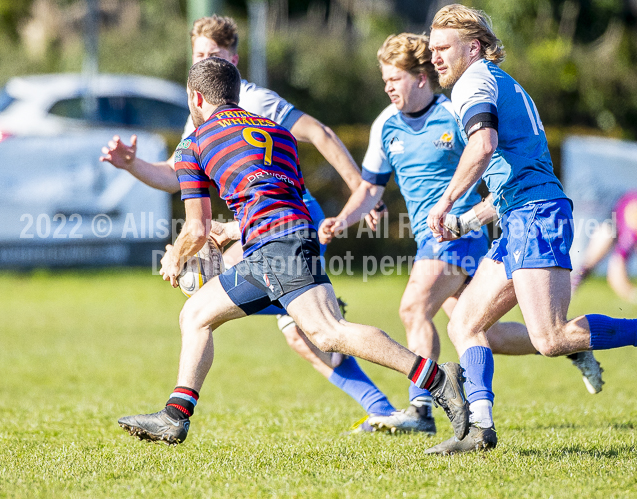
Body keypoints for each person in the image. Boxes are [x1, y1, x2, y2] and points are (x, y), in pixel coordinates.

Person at [117, 57, 471, 445]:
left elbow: (196, 228)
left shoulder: (194, 144)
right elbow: (282, 197)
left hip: (276, 247)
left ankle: (436, 377)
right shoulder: (275, 131)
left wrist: (175, 255)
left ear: (196, 98)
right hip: (288, 238)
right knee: (197, 314)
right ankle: (174, 416)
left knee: (329, 333)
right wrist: (236, 227)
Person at [423, 4, 637, 454]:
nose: (436, 57)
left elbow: (483, 147)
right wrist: (464, 220)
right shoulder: (495, 82)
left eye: (443, 48)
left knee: (551, 338)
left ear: (474, 47)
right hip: (522, 213)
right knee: (465, 321)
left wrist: (445, 202)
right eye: (432, 49)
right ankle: (478, 428)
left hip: (535, 215)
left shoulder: (474, 81)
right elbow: (513, 177)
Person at [101, 15, 406, 432]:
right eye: (199, 55)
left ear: (233, 59)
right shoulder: (201, 113)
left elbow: (319, 132)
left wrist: (361, 190)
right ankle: (381, 404)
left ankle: (177, 413)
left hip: (289, 219)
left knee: (226, 296)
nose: (205, 61)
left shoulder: (255, 101)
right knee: (302, 333)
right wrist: (133, 164)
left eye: (213, 55)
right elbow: (178, 174)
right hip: (266, 224)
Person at [319, 33, 604, 435]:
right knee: (485, 332)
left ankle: (421, 408)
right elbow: (369, 189)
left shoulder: (454, 111)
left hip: (457, 235)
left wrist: (467, 214)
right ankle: (574, 342)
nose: (387, 87)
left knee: (413, 307)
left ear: (421, 78)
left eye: (395, 78)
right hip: (427, 237)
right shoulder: (385, 125)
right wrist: (342, 220)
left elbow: (487, 158)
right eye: (384, 79)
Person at [571, 191, 637, 302]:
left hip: (625, 205)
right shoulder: (635, 228)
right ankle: (574, 280)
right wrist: (633, 295)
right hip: (609, 210)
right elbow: (615, 272)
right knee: (602, 242)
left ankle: (575, 279)